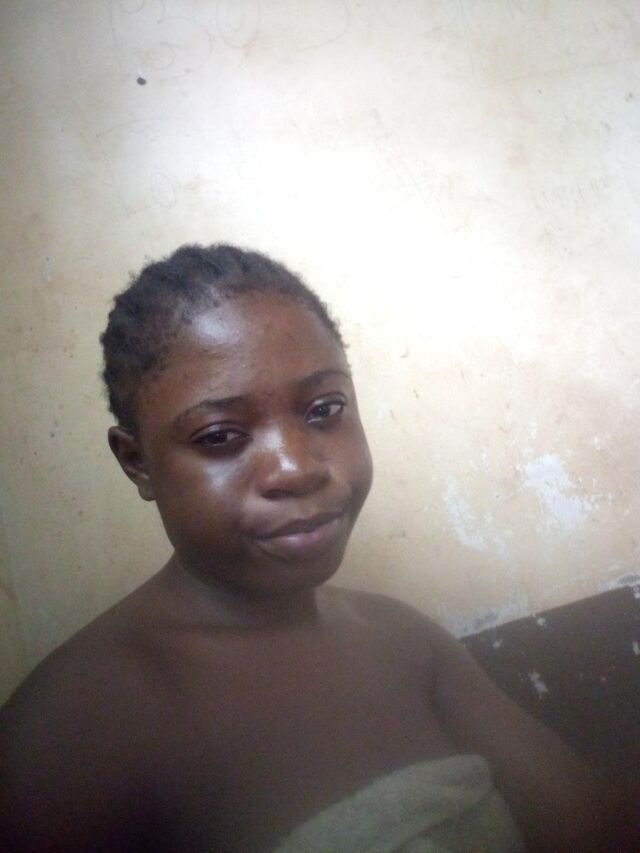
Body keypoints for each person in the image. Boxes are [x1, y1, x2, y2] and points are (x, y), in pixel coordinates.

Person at [0, 245, 631, 852]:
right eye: (219, 436)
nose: (297, 468)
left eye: (325, 409)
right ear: (137, 462)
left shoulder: (406, 641)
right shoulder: (71, 732)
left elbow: (593, 827)